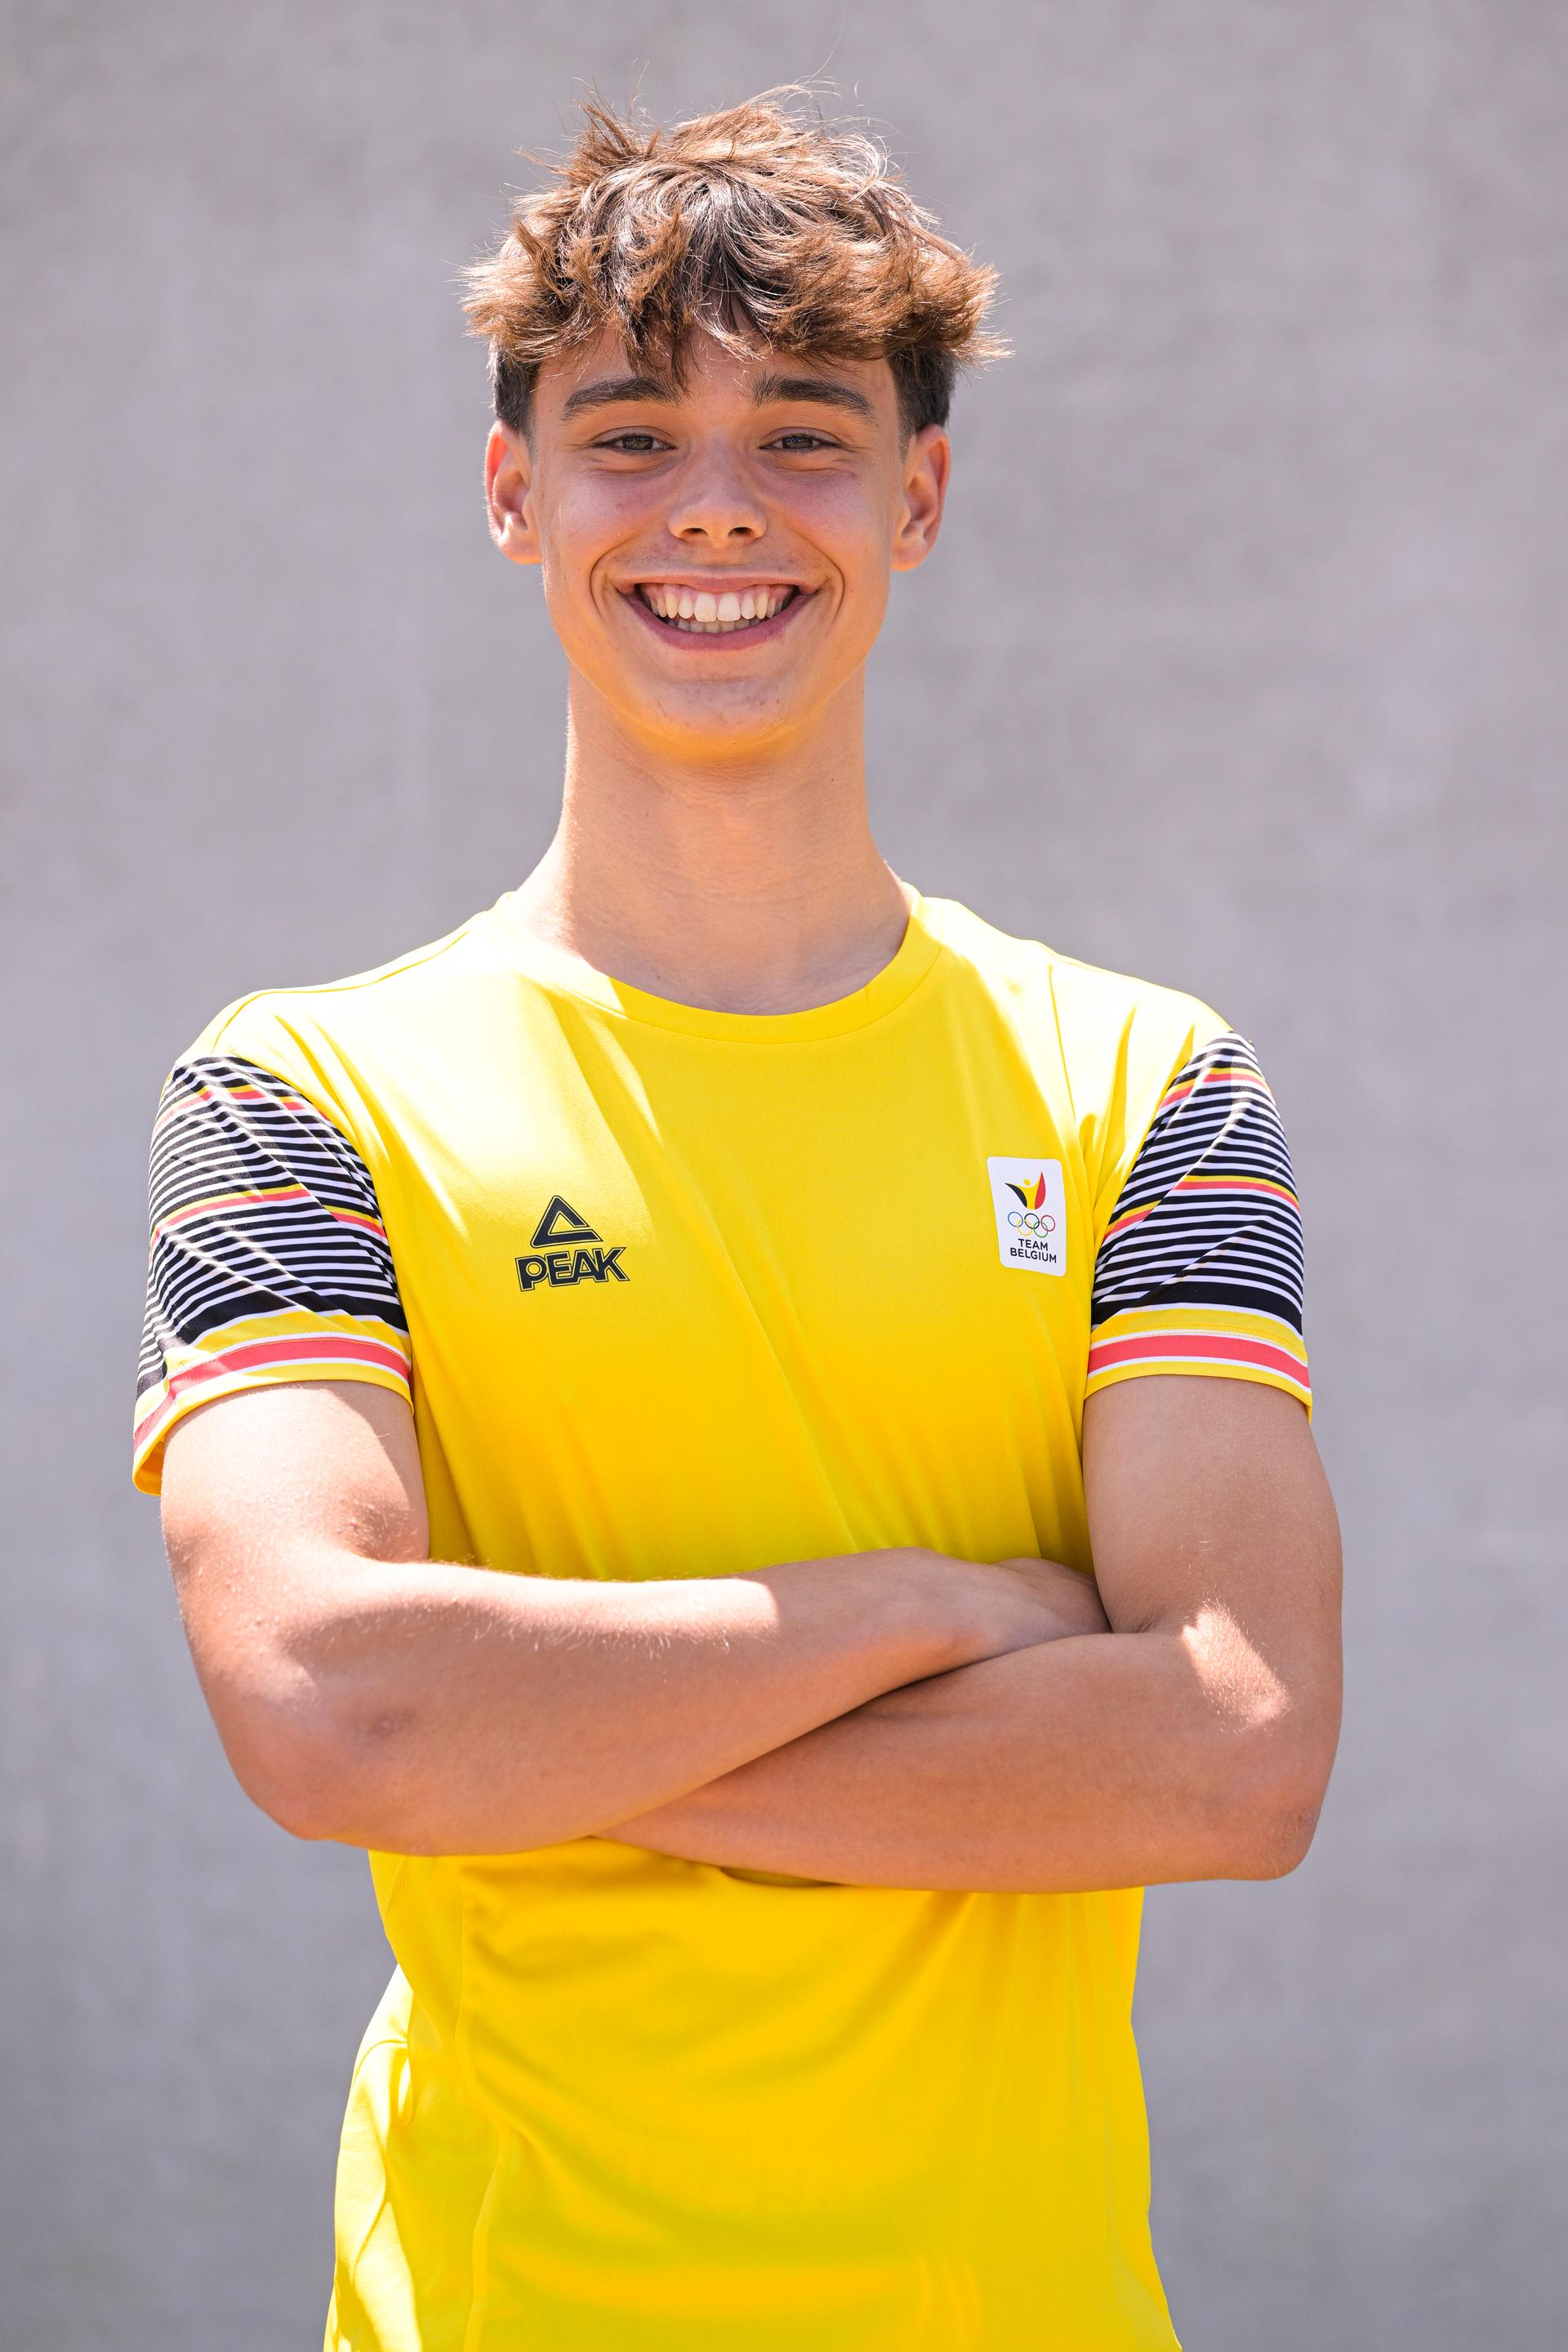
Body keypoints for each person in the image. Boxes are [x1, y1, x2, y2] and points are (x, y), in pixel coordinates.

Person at [132, 89, 1342, 2352]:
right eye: (627, 434)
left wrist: (566, 1742)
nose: (714, 507)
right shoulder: (298, 1099)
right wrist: (939, 1609)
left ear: (921, 495)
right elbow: (327, 1707)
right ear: (515, 492)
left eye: (801, 433)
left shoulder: (1148, 1096)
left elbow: (1234, 1753)